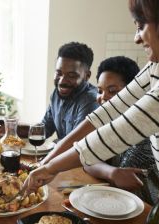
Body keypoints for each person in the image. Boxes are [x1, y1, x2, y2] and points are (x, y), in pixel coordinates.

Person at [22, 0, 159, 202]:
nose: (137, 38)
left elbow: (115, 133)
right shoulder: (155, 67)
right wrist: (46, 165)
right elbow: (103, 116)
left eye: (141, 27)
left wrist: (50, 167)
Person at [84, 56, 159, 205]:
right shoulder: (108, 122)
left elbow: (122, 183)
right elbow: (87, 158)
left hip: (147, 214)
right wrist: (111, 172)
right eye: (99, 90)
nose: (103, 97)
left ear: (133, 93)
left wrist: (110, 173)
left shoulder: (143, 133)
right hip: (119, 203)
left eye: (112, 91)